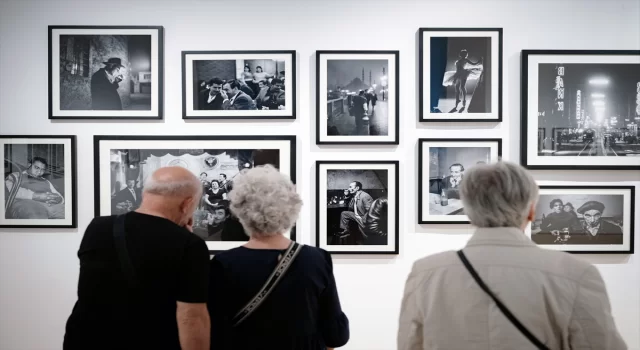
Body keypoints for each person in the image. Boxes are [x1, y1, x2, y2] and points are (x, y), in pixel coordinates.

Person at [397, 161, 626, 350]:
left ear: (468, 212)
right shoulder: (576, 274)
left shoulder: (426, 273)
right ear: (532, 211)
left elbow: (409, 345)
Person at [63, 167, 211, 350]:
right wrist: (185, 238)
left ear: (144, 193)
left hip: (85, 339)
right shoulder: (190, 245)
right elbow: (191, 317)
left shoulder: (98, 227)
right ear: (187, 204)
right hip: (145, 340)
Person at [207, 165, 350, 349]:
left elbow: (215, 332)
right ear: (291, 207)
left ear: (240, 210)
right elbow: (336, 335)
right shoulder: (316, 259)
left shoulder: (223, 265)